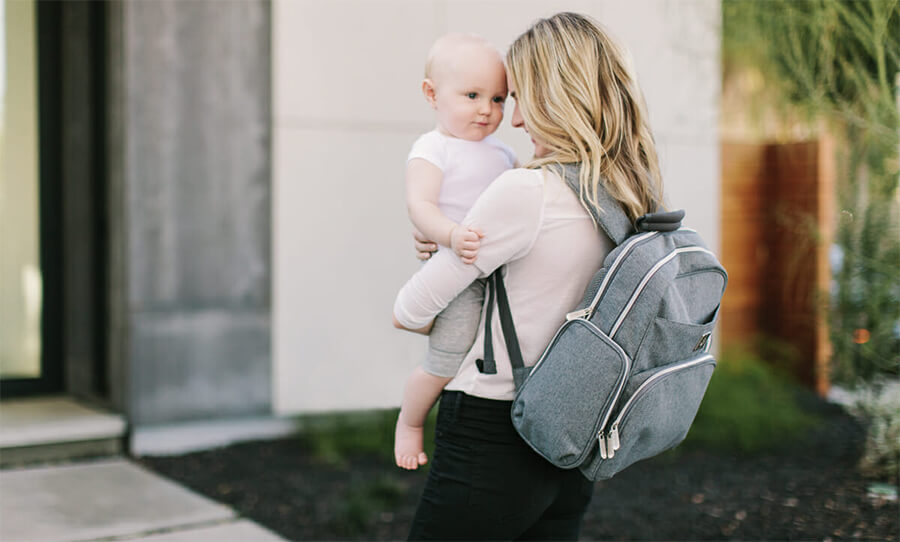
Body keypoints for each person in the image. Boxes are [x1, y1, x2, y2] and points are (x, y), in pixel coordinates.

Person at [392, 12, 664, 540]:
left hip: (494, 426)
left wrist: (438, 253)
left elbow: (409, 310)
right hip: (572, 425)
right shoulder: (626, 190)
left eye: (517, 99)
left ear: (555, 99)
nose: (511, 120)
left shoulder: (526, 191)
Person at [394, 33, 518, 471]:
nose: (487, 109)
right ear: (432, 94)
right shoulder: (434, 147)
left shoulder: (504, 154)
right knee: (445, 358)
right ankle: (410, 423)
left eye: (499, 98)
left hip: (500, 271)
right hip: (459, 267)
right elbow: (420, 205)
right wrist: (449, 234)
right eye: (472, 95)